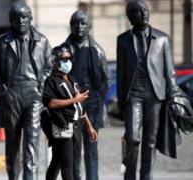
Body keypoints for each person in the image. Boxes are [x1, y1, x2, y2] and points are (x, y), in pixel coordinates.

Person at [116, 1, 179, 180]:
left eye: (145, 10)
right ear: (130, 17)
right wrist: (122, 99)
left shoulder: (162, 39)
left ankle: (147, 177)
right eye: (138, 11)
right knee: (133, 137)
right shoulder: (123, 40)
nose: (144, 13)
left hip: (155, 95)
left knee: (150, 141)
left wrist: (173, 95)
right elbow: (121, 71)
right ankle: (129, 176)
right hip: (133, 94)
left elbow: (170, 73)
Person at [0, 1, 52, 180]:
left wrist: (41, 88)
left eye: (24, 17)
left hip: (34, 96)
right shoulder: (0, 43)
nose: (21, 21)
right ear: (11, 20)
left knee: (31, 143)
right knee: (12, 144)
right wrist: (2, 89)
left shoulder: (42, 41)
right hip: (11, 95)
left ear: (30, 18)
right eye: (16, 18)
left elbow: (49, 68)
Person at [61, 10, 109, 180]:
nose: (79, 27)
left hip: (92, 103)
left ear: (89, 26)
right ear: (70, 26)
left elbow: (105, 80)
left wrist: (97, 101)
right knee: (72, 149)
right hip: (70, 104)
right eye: (75, 23)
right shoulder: (62, 51)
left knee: (91, 149)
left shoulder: (97, 50)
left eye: (83, 23)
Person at [42, 45, 98, 180]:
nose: (68, 62)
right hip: (63, 125)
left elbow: (80, 107)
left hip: (77, 126)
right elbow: (50, 103)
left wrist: (89, 126)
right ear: (55, 61)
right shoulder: (52, 80)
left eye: (69, 58)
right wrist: (74, 99)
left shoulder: (72, 80)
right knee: (67, 163)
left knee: (58, 160)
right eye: (64, 59)